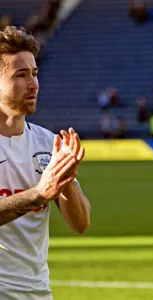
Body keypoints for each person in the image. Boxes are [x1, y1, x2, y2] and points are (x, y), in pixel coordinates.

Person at [0, 26, 91, 299]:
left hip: (37, 292)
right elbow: (40, 193)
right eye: (21, 75)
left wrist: (66, 182)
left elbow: (81, 223)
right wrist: (39, 193)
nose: (34, 84)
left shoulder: (48, 143)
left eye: (35, 74)